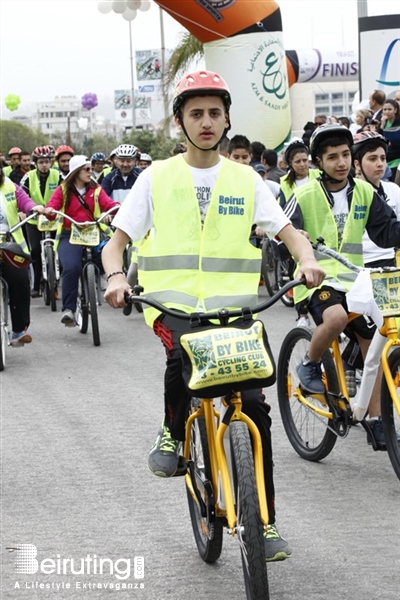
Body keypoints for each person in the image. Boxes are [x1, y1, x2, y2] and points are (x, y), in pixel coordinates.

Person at [102, 69, 325, 562]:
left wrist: (306, 259)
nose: (205, 122)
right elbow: (115, 246)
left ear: (226, 120)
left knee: (255, 407)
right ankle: (172, 427)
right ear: (180, 120)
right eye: (195, 113)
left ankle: (263, 522)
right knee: (184, 357)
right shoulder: (155, 177)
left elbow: (289, 232)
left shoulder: (246, 178)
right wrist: (117, 278)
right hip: (172, 305)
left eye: (214, 113)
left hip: (235, 308)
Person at [280, 123, 400, 445]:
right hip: (316, 279)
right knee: (334, 318)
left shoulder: (364, 191)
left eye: (346, 155)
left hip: (354, 280)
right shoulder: (303, 194)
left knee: (375, 340)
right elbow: (281, 235)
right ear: (318, 162)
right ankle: (309, 363)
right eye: (332, 157)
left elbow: (385, 232)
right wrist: (295, 241)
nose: (342, 162)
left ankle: (375, 418)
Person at [44, 156, 119, 326]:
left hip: (93, 233)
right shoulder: (63, 190)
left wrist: (116, 208)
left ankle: (108, 289)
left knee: (108, 258)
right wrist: (49, 211)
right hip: (69, 234)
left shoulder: (97, 189)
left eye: (91, 168)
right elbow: (53, 208)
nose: (90, 172)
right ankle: (69, 310)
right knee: (72, 267)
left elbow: (109, 204)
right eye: (86, 169)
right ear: (76, 172)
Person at [0, 168, 45, 345]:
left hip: (10, 245)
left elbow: (24, 200)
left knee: (20, 281)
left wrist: (33, 207)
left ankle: (19, 330)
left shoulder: (9, 186)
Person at [279, 138, 321, 327]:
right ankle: (302, 315)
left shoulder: (319, 176)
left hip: (318, 227)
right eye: (298, 161)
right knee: (300, 272)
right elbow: (282, 209)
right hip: (298, 231)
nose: (303, 164)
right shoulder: (284, 183)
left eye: (305, 160)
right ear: (290, 164)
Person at [20, 146, 61, 297]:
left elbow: (67, 192)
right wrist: (23, 211)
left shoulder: (58, 175)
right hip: (34, 220)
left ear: (51, 162)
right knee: (35, 250)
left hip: (54, 219)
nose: (44, 165)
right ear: (35, 163)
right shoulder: (28, 177)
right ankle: (36, 284)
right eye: (41, 162)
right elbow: (21, 195)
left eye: (47, 161)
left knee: (59, 249)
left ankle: (55, 281)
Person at [379, 99, 400, 181]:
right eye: (385, 109)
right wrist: (382, 125)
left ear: (395, 110)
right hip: (386, 158)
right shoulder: (383, 122)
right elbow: (379, 136)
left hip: (397, 157)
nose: (387, 112)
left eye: (389, 109)